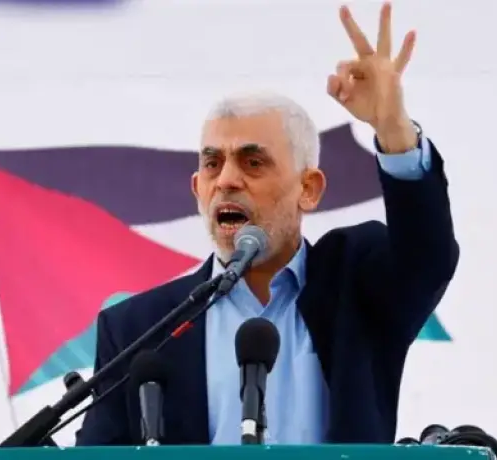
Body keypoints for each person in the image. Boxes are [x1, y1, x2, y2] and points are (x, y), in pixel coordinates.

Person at [76, 2, 459, 445]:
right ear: (198, 189)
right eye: (213, 164)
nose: (227, 180)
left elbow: (427, 257)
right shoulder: (139, 330)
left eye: (253, 162)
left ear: (308, 189)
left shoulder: (358, 289)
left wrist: (394, 131)